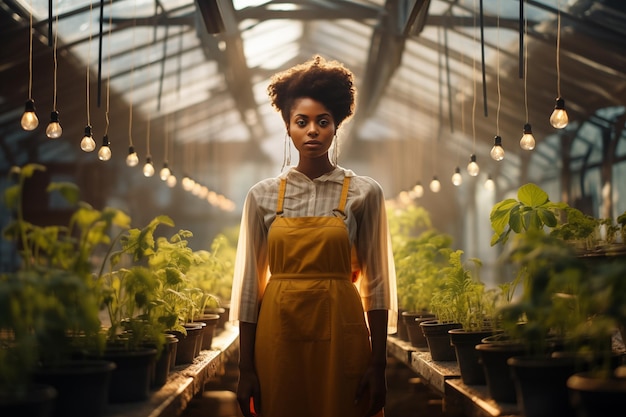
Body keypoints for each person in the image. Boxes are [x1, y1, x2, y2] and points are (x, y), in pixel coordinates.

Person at [229, 55, 398, 417]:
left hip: (343, 331)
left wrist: (379, 365)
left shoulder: (364, 193)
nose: (312, 131)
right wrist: (244, 369)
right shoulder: (260, 196)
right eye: (301, 121)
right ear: (288, 127)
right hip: (277, 335)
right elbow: (248, 288)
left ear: (336, 126)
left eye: (323, 122)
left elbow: (378, 285)